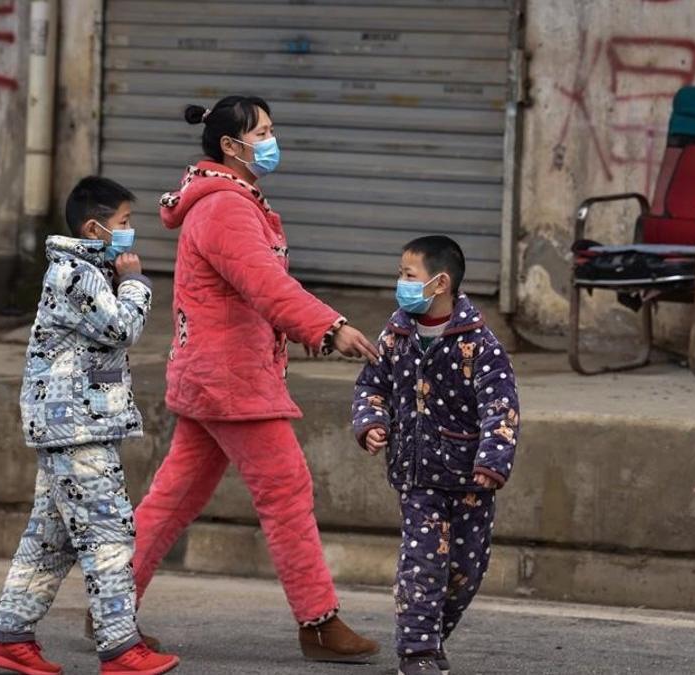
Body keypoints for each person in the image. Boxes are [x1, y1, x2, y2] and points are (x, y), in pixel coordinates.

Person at [129, 95, 383, 663]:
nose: (272, 139)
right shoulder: (225, 209)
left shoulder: (226, 201)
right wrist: (329, 327)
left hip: (218, 374)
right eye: (263, 131)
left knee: (173, 497)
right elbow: (265, 285)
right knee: (286, 490)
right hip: (231, 379)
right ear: (231, 145)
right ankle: (318, 622)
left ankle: (113, 608)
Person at [0, 177, 179, 675]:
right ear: (96, 228)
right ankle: (120, 646)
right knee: (109, 533)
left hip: (74, 424)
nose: (130, 234)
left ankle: (11, 635)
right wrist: (135, 284)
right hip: (78, 429)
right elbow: (122, 328)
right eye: (124, 224)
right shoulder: (78, 275)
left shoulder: (82, 269)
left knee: (51, 537)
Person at [351, 236, 520, 675]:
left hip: (469, 480)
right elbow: (372, 384)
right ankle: (417, 651)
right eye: (400, 275)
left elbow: (500, 407)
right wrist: (372, 423)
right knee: (423, 563)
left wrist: (492, 461)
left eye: (408, 276)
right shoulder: (396, 333)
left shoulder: (479, 344)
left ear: (439, 283)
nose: (400, 284)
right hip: (416, 476)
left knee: (466, 571)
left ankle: (431, 637)